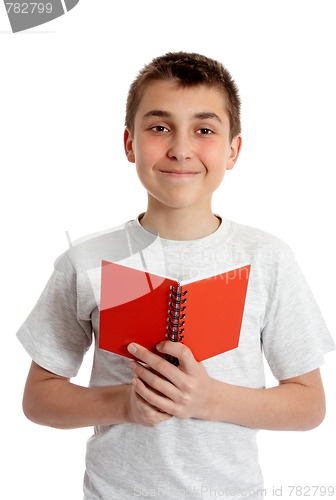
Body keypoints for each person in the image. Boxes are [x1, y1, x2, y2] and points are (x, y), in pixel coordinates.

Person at [17, 52, 335, 500]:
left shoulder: (268, 259)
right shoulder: (86, 260)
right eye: (159, 127)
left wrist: (208, 399)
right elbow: (38, 399)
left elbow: (309, 406)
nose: (181, 148)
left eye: (204, 130)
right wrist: (124, 405)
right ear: (129, 143)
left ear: (233, 150)